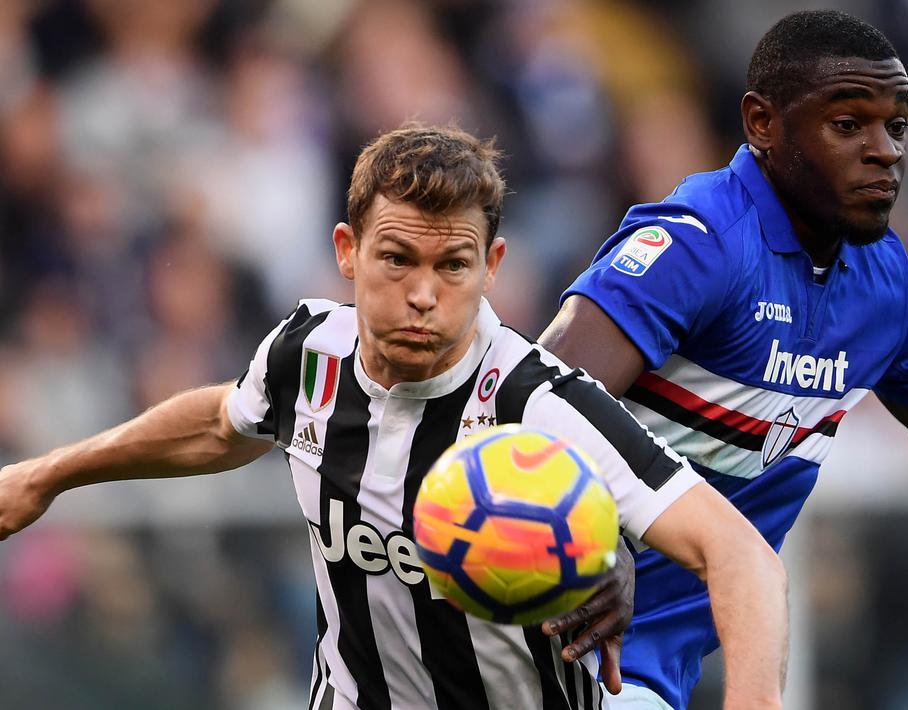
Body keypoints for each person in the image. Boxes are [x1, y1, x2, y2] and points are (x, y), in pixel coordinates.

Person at [0, 124, 789, 710]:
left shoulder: (543, 404)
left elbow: (740, 555)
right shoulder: (306, 352)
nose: (422, 294)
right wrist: (48, 474)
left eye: (452, 265)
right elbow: (221, 423)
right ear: (348, 251)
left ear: (492, 265)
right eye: (396, 259)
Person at [541, 10, 908, 710]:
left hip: (650, 670)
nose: (884, 150)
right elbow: (539, 397)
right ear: (761, 124)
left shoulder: (880, 282)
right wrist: (587, 535)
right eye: (848, 125)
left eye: (897, 126)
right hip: (552, 643)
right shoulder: (701, 242)